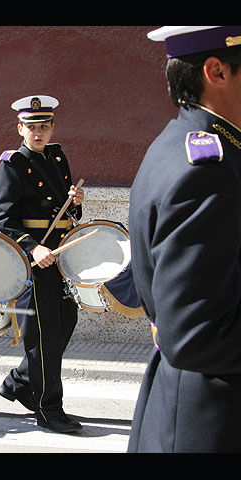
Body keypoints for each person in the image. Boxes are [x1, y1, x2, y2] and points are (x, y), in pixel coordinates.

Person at [128, 26, 241, 453]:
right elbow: (197, 335)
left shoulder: (184, 144)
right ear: (216, 71)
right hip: (212, 420)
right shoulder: (206, 171)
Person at [0, 95, 85, 433]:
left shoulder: (58, 156)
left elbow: (66, 213)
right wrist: (32, 249)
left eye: (43, 126)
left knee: (65, 318)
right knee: (44, 335)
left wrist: (75, 205)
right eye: (31, 127)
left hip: (58, 256)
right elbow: (4, 219)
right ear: (20, 128)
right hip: (34, 260)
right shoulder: (13, 163)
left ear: (52, 128)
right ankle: (49, 410)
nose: (38, 132)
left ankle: (19, 382)